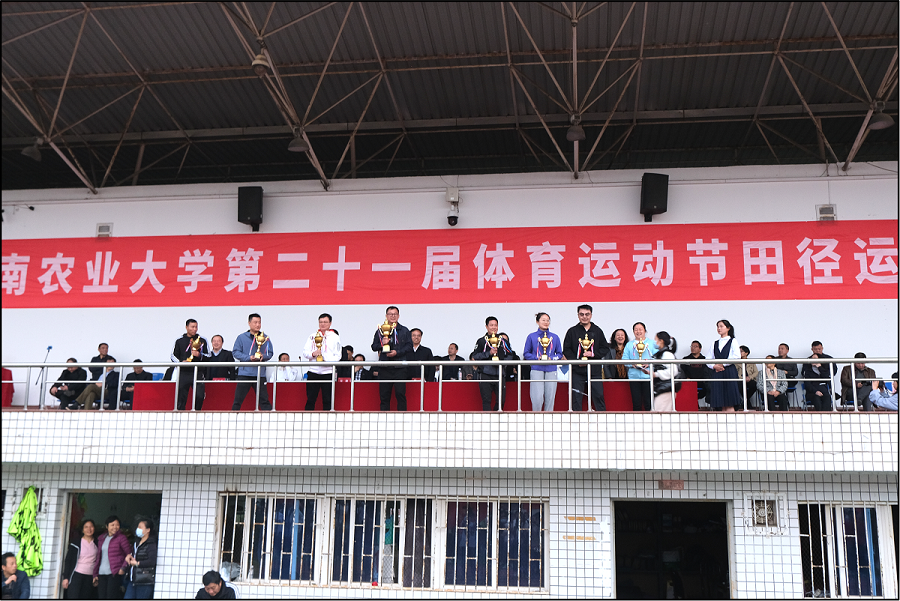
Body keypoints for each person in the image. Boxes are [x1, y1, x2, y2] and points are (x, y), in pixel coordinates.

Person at [563, 304, 610, 411]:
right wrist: (577, 362)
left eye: (587, 314)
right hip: (577, 370)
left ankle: (602, 418)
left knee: (598, 395)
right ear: (578, 315)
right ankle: (576, 420)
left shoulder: (597, 330)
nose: (584, 317)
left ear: (591, 315)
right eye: (582, 314)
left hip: (594, 370)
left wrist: (593, 354)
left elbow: (605, 348)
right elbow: (566, 349)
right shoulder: (572, 331)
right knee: (576, 397)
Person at [370, 306, 413, 411]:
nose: (393, 316)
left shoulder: (404, 330)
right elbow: (374, 347)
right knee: (384, 396)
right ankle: (384, 418)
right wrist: (382, 344)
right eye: (390, 314)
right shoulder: (380, 331)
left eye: (395, 314)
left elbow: (409, 346)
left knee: (400, 394)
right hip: (385, 368)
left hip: (400, 368)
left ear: (398, 316)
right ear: (386, 316)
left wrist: (397, 352)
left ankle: (402, 417)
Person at [232, 313, 273, 411]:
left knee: (264, 400)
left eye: (259, 322)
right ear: (249, 323)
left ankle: (270, 419)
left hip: (259, 373)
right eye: (255, 322)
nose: (258, 325)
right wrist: (248, 358)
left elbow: (270, 353)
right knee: (238, 400)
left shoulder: (265, 338)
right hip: (245, 373)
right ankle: (233, 418)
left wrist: (264, 356)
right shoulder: (241, 337)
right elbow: (236, 352)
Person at [522, 312, 563, 412]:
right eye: (543, 320)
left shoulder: (555, 337)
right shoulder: (531, 336)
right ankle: (536, 416)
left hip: (551, 369)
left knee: (550, 397)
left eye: (548, 320)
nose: (546, 322)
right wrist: (537, 358)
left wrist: (551, 358)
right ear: (537, 322)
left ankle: (548, 418)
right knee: (537, 397)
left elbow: (559, 354)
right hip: (537, 368)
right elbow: (526, 353)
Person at [472, 317, 514, 411]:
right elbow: (475, 356)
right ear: (486, 327)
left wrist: (502, 362)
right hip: (485, 374)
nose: (494, 327)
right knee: (486, 400)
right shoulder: (482, 341)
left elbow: (511, 355)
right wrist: (489, 353)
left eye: (495, 325)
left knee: (501, 401)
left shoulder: (503, 341)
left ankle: (496, 418)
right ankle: (488, 419)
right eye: (491, 325)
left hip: (500, 374)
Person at [301, 313, 341, 410]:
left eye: (325, 322)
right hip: (313, 371)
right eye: (321, 322)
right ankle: (307, 418)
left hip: (328, 372)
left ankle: (328, 418)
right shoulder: (312, 336)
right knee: (310, 399)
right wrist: (313, 354)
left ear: (330, 323)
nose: (323, 324)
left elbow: (338, 356)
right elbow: (305, 352)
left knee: (327, 399)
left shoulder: (335, 337)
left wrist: (325, 358)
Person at [171, 319, 210, 411]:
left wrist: (199, 355)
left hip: (198, 372)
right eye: (192, 327)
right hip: (183, 372)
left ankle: (197, 412)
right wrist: (181, 363)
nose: (195, 329)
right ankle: (180, 414)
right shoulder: (179, 340)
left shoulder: (202, 340)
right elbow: (173, 356)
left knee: (200, 395)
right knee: (181, 396)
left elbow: (209, 356)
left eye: (196, 327)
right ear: (186, 327)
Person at [93, 515, 130, 599]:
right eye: (112, 525)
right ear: (107, 526)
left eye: (117, 525)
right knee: (101, 597)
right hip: (101, 573)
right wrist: (95, 574)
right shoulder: (102, 538)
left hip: (114, 573)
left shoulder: (122, 538)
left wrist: (123, 568)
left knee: (111, 596)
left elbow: (129, 554)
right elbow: (99, 557)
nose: (115, 527)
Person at [708, 319, 741, 412]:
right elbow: (708, 358)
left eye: (721, 326)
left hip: (729, 371)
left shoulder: (733, 341)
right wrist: (714, 366)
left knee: (730, 399)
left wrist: (723, 364)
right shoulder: (715, 343)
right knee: (720, 400)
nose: (719, 328)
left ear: (728, 328)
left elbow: (737, 356)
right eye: (718, 326)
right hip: (717, 372)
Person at [623, 322, 658, 411]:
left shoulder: (652, 343)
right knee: (636, 403)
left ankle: (650, 419)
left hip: (648, 377)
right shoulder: (629, 344)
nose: (638, 332)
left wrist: (649, 363)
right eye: (636, 330)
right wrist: (632, 364)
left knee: (648, 403)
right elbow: (624, 359)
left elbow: (658, 358)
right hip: (634, 377)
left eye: (640, 329)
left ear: (645, 331)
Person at [62, 519, 98, 600]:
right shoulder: (76, 543)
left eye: (91, 527)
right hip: (76, 575)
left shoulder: (98, 543)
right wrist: (66, 578)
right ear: (82, 530)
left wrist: (96, 576)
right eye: (86, 527)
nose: (89, 529)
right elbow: (68, 561)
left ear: (94, 528)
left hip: (90, 577)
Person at [123, 519, 157, 599]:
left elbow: (152, 561)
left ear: (148, 530)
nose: (138, 529)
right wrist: (129, 556)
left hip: (144, 580)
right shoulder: (137, 542)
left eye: (140, 527)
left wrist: (137, 564)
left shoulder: (151, 544)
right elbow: (136, 555)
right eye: (138, 527)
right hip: (133, 579)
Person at [802, 340, 837, 411]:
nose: (817, 351)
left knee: (827, 397)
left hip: (824, 387)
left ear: (822, 348)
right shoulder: (807, 362)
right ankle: (820, 415)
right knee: (816, 398)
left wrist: (819, 367)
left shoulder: (828, 359)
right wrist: (815, 391)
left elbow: (831, 373)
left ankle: (826, 415)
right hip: (812, 389)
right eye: (815, 349)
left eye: (819, 349)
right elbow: (804, 376)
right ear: (812, 349)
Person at [650, 332, 677, 411]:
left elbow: (673, 371)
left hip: (666, 388)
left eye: (655, 339)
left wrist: (656, 374)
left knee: (660, 412)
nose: (654, 342)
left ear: (661, 341)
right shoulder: (660, 354)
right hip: (662, 388)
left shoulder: (667, 354)